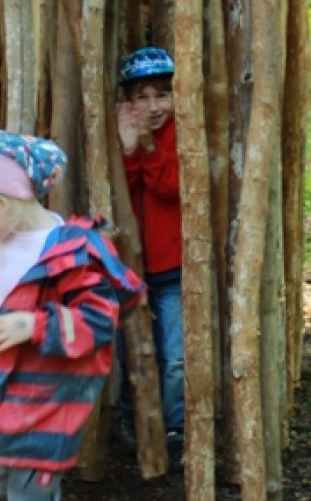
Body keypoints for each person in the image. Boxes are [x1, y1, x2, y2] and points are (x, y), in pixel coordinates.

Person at [0, 129, 144, 500]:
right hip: (4, 387)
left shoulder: (66, 250)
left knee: (29, 491)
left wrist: (34, 324)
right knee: (1, 480)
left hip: (44, 397)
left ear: (10, 198)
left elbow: (99, 319)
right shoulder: (2, 236)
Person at [114, 45, 185, 461]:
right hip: (127, 267)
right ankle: (131, 418)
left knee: (174, 358)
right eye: (142, 97)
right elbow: (117, 191)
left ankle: (175, 427)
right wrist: (128, 149)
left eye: (163, 95)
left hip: (173, 266)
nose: (154, 106)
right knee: (131, 349)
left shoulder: (182, 134)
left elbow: (170, 188)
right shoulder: (115, 131)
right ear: (127, 100)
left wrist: (148, 149)